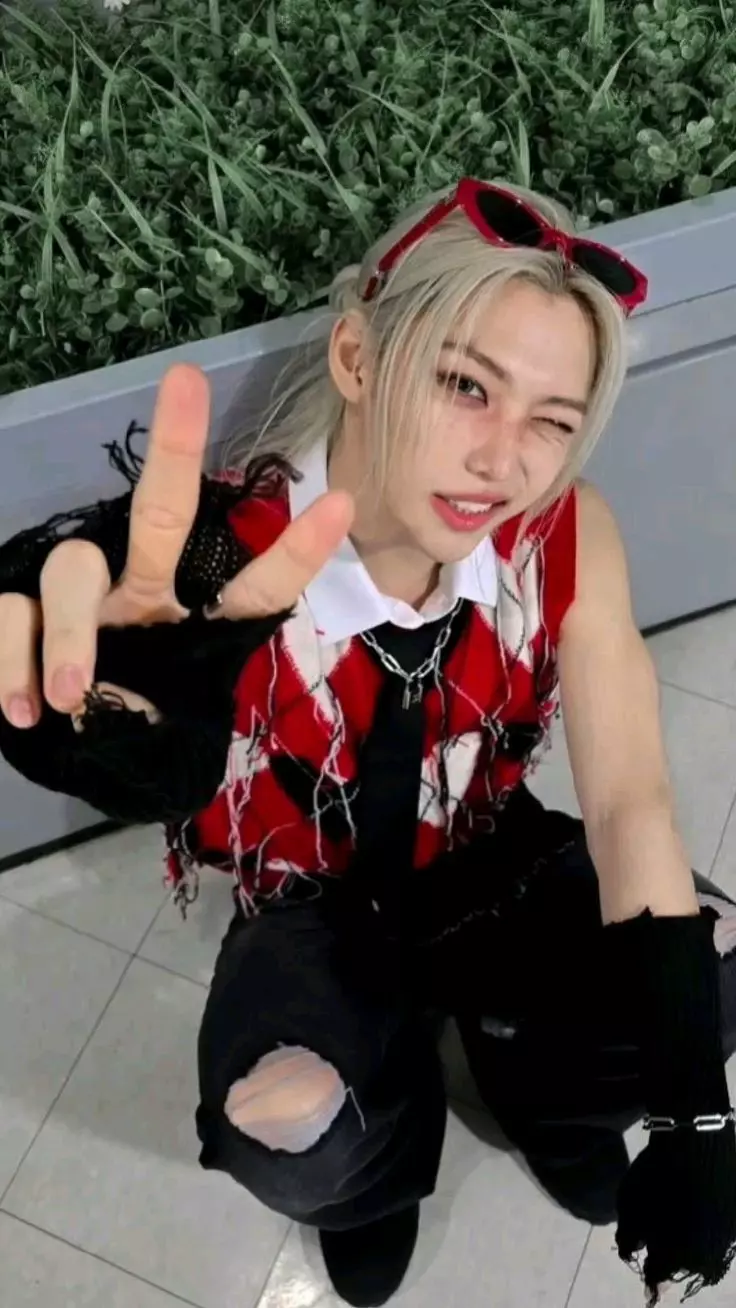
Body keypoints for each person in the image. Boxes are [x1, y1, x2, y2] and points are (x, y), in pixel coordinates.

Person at [1, 177, 736, 1308]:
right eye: (465, 385)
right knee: (289, 1121)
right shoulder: (227, 562)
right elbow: (122, 661)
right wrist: (94, 716)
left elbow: (630, 795)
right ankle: (377, 1176)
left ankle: (536, 1095)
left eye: (551, 419)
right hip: (311, 900)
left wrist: (693, 1115)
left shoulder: (562, 531)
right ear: (356, 356)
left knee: (707, 974)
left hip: (486, 859)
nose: (503, 461)